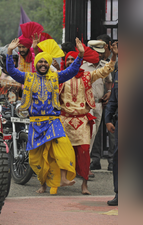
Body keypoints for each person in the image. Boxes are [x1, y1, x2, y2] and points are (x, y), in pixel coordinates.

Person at [5, 37, 85, 194]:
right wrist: (9, 51)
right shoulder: (28, 78)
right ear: (36, 64)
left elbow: (72, 71)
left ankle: (62, 178)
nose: (43, 64)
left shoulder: (56, 77)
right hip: (36, 122)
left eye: (45, 62)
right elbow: (12, 71)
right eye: (40, 62)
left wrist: (80, 55)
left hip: (53, 121)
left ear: (49, 64)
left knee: (63, 146)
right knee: (38, 158)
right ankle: (42, 184)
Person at [59, 42, 117, 195]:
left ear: (79, 62)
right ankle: (62, 178)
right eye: (68, 60)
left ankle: (84, 185)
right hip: (65, 120)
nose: (71, 62)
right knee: (63, 151)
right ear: (65, 63)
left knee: (85, 152)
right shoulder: (60, 77)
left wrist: (114, 56)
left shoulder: (87, 76)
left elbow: (105, 71)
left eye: (74, 60)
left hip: (82, 121)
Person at [84, 37, 114, 174]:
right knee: (87, 136)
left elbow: (108, 80)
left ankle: (85, 164)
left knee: (93, 134)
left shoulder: (104, 65)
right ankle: (84, 166)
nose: (99, 54)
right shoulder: (81, 66)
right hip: (85, 106)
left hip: (99, 105)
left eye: (101, 52)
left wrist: (108, 91)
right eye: (97, 52)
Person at [105, 64, 118, 206]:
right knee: (119, 157)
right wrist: (108, 119)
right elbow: (113, 99)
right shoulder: (119, 73)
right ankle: (119, 193)